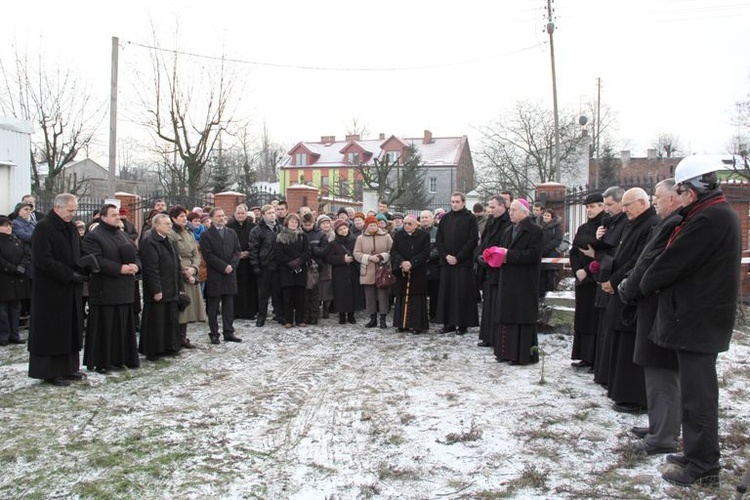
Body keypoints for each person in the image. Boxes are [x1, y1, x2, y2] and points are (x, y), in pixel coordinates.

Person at [641, 156, 741, 487]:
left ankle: (703, 465)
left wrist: (646, 281)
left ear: (693, 190)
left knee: (699, 397)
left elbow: (673, 262)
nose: (677, 196)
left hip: (698, 320)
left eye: (681, 189)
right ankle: (695, 451)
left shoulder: (709, 219)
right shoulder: (709, 213)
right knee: (692, 393)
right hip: (694, 319)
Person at [620, 179, 683, 456]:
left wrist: (628, 287)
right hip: (652, 306)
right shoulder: (664, 223)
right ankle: (659, 425)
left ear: (673, 198)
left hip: (660, 306)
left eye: (658, 197)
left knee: (662, 372)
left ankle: (664, 434)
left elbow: (651, 263)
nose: (655, 201)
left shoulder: (674, 224)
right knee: (655, 371)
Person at [602, 188, 659, 414]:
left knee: (629, 345)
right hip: (620, 287)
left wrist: (615, 281)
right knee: (619, 342)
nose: (623, 210)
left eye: (627, 205)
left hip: (630, 289)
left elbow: (638, 260)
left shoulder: (650, 224)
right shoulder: (633, 222)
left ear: (642, 202)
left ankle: (633, 396)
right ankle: (620, 390)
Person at [28, 193, 86, 386]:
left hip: (69, 288)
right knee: (53, 330)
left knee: (69, 327)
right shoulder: (44, 228)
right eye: (70, 210)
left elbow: (77, 252)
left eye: (74, 210)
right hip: (51, 289)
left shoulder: (70, 228)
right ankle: (51, 371)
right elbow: (43, 260)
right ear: (58, 207)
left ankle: (69, 367)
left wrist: (84, 267)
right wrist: (69, 274)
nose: (73, 214)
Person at [81, 204, 140, 373]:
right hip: (105, 289)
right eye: (113, 215)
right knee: (106, 327)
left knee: (123, 326)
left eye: (118, 215)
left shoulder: (122, 234)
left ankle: (122, 358)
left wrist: (136, 266)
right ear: (103, 217)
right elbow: (95, 260)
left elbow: (136, 254)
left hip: (125, 288)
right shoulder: (94, 236)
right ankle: (104, 361)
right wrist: (119, 269)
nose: (117, 217)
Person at [493, 199, 544, 365]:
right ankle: (505, 352)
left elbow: (534, 255)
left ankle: (520, 355)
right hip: (508, 279)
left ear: (524, 212)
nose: (511, 213)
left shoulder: (535, 231)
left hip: (524, 280)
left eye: (514, 210)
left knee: (521, 316)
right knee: (507, 315)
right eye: (510, 210)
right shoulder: (508, 230)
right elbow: (503, 250)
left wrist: (509, 255)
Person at [590, 186, 628, 386]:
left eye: (610, 204)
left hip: (614, 280)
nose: (606, 209)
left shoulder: (625, 223)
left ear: (622, 203)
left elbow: (619, 254)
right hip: (604, 278)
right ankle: (602, 372)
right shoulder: (609, 222)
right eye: (605, 205)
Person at [139, 214, 182, 361]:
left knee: (170, 319)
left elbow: (176, 264)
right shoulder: (149, 241)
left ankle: (169, 346)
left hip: (171, 286)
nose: (170, 226)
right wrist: (156, 290)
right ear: (157, 226)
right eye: (167, 224)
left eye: (170, 223)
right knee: (156, 320)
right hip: (159, 288)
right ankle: (153, 350)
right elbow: (151, 268)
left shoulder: (168, 240)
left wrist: (179, 286)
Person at [569, 194, 605, 369]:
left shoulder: (605, 227)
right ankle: (583, 355)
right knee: (582, 318)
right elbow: (574, 252)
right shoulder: (583, 228)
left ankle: (594, 358)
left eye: (593, 207)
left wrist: (588, 272)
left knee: (594, 320)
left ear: (601, 207)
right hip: (581, 279)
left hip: (595, 279)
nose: (589, 210)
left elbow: (603, 254)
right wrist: (577, 270)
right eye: (588, 207)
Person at [435, 192, 479, 334]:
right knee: (447, 293)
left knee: (461, 294)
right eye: (452, 201)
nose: (454, 204)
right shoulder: (445, 218)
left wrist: (458, 257)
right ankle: (449, 324)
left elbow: (472, 240)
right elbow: (439, 239)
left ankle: (462, 324)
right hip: (447, 262)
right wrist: (446, 255)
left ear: (463, 202)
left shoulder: (470, 218)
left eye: (457, 202)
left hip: (462, 263)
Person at [200, 208, 242, 344]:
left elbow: (237, 251)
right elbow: (208, 255)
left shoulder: (231, 232)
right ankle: (214, 333)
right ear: (211, 218)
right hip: (215, 275)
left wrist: (232, 265)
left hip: (230, 274)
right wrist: (223, 266)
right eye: (218, 216)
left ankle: (228, 332)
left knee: (229, 306)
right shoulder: (206, 235)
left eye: (223, 215)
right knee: (213, 307)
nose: (222, 218)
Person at [167, 205, 207, 348]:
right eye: (181, 216)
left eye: (185, 216)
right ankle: (177, 337)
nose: (184, 219)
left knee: (189, 308)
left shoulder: (189, 233)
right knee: (181, 307)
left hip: (191, 270)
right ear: (173, 218)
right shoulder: (171, 234)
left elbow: (196, 253)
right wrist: (184, 270)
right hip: (179, 272)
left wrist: (194, 268)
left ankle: (183, 336)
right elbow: (173, 254)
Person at [476, 195, 511, 347]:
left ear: (502, 206)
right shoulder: (491, 221)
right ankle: (487, 336)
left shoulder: (507, 223)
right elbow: (484, 240)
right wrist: (479, 255)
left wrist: (491, 258)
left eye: (492, 207)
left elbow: (503, 246)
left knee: (497, 303)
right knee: (488, 303)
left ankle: (496, 336)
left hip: (498, 268)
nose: (490, 210)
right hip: (486, 267)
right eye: (489, 207)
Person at [391, 215, 430, 333]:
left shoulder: (424, 235)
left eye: (409, 224)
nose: (407, 226)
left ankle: (417, 325)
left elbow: (425, 252)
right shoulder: (398, 235)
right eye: (405, 223)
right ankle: (401, 324)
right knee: (402, 296)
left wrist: (412, 263)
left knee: (416, 298)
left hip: (418, 271)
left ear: (416, 225)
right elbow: (394, 251)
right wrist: (402, 262)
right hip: (402, 270)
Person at [353, 215, 393, 329]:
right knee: (369, 295)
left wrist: (382, 256)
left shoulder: (386, 236)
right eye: (370, 225)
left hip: (382, 269)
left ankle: (383, 319)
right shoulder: (360, 238)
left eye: (374, 225)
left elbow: (392, 250)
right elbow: (356, 253)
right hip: (368, 269)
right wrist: (368, 258)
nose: (373, 227)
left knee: (383, 295)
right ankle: (373, 318)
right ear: (366, 226)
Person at [275, 214, 310, 328]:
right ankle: (288, 320)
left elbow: (307, 252)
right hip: (286, 269)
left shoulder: (303, 236)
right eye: (291, 222)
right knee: (287, 296)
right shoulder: (280, 236)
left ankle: (300, 320)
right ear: (287, 223)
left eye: (296, 222)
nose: (293, 224)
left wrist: (298, 261)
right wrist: (290, 263)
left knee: (300, 296)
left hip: (300, 269)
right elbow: (279, 254)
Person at [249, 204, 282, 327]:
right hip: (264, 266)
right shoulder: (257, 231)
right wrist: (256, 266)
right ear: (263, 215)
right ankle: (261, 316)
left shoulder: (280, 228)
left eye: (273, 212)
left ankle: (279, 314)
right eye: (269, 213)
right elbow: (253, 250)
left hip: (278, 266)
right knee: (263, 294)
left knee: (277, 293)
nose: (272, 215)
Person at [0, 215, 30, 346]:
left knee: (15, 309)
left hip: (18, 279)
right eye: (4, 226)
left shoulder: (15, 239)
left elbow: (26, 254)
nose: (8, 228)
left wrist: (22, 266)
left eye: (9, 225)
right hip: (4, 279)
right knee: (2, 310)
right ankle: (4, 335)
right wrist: (12, 268)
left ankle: (14, 334)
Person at [328, 219, 363, 324]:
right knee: (340, 294)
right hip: (339, 271)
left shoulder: (355, 240)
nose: (343, 230)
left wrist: (353, 258)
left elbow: (359, 253)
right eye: (340, 229)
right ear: (336, 231)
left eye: (344, 228)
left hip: (353, 270)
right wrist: (342, 259)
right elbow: (329, 258)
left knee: (353, 292)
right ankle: (341, 315)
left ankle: (351, 315)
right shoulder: (333, 244)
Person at [227, 204, 259, 321]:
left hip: (249, 263)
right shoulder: (228, 227)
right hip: (235, 263)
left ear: (246, 214)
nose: (240, 215)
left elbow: (257, 243)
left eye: (243, 213)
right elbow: (226, 244)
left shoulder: (253, 227)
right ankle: (236, 311)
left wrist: (249, 252)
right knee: (236, 287)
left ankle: (249, 312)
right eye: (238, 213)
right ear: (234, 214)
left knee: (250, 287)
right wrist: (237, 255)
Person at [301, 212, 328, 324]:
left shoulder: (320, 234)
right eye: (305, 225)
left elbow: (325, 250)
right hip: (303, 266)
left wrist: (313, 250)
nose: (307, 227)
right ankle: (305, 315)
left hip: (315, 266)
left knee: (314, 293)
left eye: (309, 224)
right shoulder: (299, 233)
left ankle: (314, 315)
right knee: (304, 293)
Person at [419, 210, 440, 322]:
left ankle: (433, 315)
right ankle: (421, 315)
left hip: (434, 267)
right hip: (420, 268)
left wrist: (428, 257)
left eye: (426, 217)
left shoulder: (438, 232)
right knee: (420, 294)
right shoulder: (416, 232)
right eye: (422, 218)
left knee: (434, 294)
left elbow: (439, 248)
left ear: (432, 219)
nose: (424, 220)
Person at [538, 208, 563, 300]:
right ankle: (540, 298)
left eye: (548, 215)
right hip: (540, 256)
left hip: (551, 256)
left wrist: (546, 248)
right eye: (544, 215)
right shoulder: (538, 226)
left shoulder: (556, 227)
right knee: (540, 279)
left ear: (552, 217)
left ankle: (550, 298)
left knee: (550, 279)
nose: (545, 217)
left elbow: (557, 239)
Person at [316, 215, 335, 320]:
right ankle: (317, 308)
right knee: (318, 288)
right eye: (323, 223)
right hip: (320, 264)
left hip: (330, 266)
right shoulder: (317, 235)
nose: (326, 225)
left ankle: (326, 310)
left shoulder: (334, 235)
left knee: (328, 289)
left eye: (327, 223)